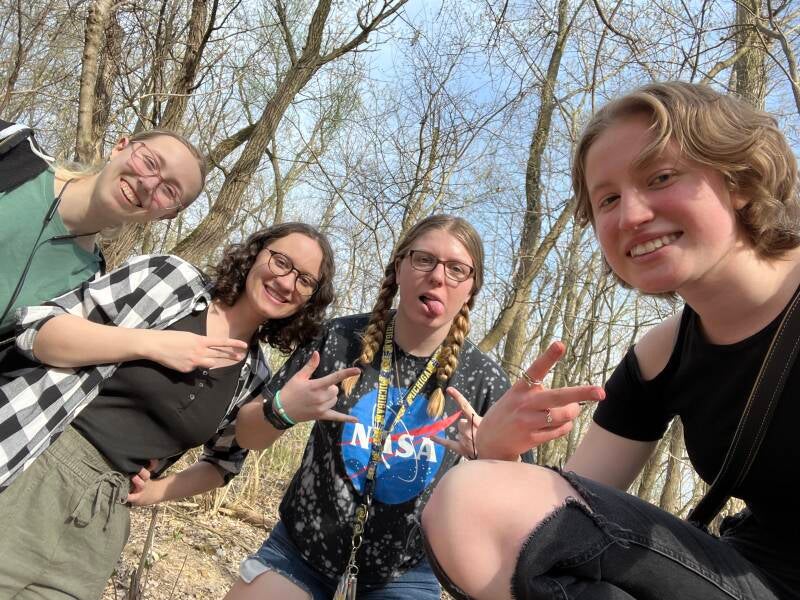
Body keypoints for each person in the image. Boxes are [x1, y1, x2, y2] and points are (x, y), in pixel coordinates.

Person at [421, 81, 800, 600]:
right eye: (608, 199)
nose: (631, 216)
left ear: (738, 178)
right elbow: (558, 517)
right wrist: (495, 453)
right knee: (468, 500)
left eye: (662, 177)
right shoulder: (659, 356)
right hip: (755, 579)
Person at [225, 215, 595, 600]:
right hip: (300, 552)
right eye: (424, 260)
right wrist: (283, 410)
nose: (438, 277)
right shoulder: (339, 340)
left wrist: (496, 461)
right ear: (399, 267)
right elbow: (247, 434)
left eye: (456, 270)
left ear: (471, 289)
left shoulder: (483, 381)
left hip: (403, 575)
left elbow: (524, 515)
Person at [0, 222, 337, 599]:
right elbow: (38, 330)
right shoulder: (171, 281)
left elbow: (225, 462)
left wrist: (155, 492)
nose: (287, 282)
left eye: (305, 280)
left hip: (102, 522)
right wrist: (151, 344)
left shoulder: (254, 375)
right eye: (281, 262)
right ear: (255, 253)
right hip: (35, 470)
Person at [0, 124, 208, 337]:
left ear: (166, 216)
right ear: (120, 147)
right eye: (149, 162)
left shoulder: (86, 285)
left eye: (169, 190)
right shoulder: (13, 149)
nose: (149, 184)